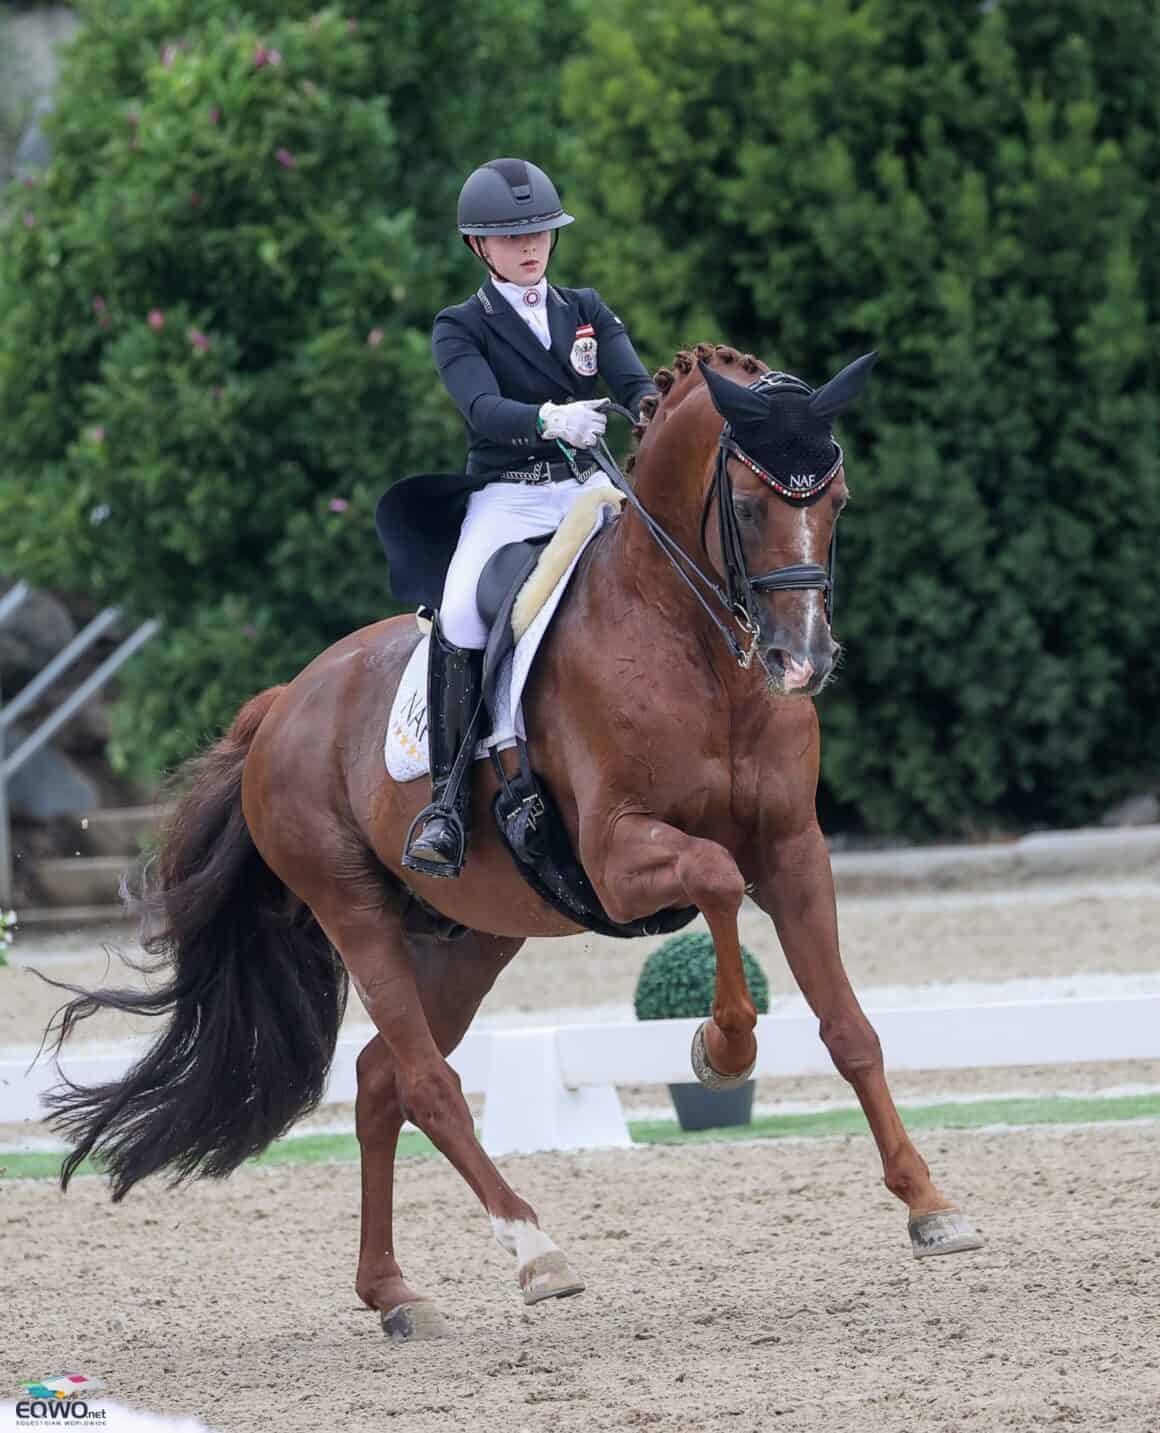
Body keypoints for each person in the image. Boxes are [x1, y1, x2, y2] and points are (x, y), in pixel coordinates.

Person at [400, 157, 657, 877]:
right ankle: (446, 805)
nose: (531, 246)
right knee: (459, 614)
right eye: (511, 237)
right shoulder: (462, 326)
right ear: (479, 247)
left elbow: (634, 383)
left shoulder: (587, 308)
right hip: (508, 496)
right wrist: (549, 418)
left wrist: (653, 412)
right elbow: (481, 409)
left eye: (539, 231)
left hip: (586, 487)